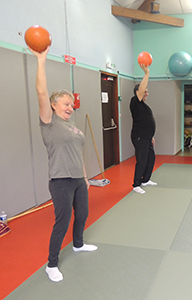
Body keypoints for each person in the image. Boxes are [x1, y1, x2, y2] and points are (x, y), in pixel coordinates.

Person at [30, 46, 97, 282]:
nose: (70, 108)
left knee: (83, 214)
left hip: (78, 178)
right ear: (53, 105)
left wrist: (86, 177)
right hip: (60, 180)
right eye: (65, 104)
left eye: (71, 104)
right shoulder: (48, 122)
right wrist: (41, 60)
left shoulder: (72, 126)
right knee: (62, 221)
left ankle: (78, 244)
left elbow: (78, 151)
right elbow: (40, 93)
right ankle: (52, 264)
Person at [130, 64, 157, 194]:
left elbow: (147, 122)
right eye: (145, 91)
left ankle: (145, 180)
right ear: (139, 92)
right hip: (139, 136)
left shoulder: (144, 106)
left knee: (151, 158)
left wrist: (151, 136)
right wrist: (146, 74)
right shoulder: (135, 102)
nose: (147, 93)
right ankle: (136, 184)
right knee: (141, 160)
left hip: (147, 137)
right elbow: (141, 90)